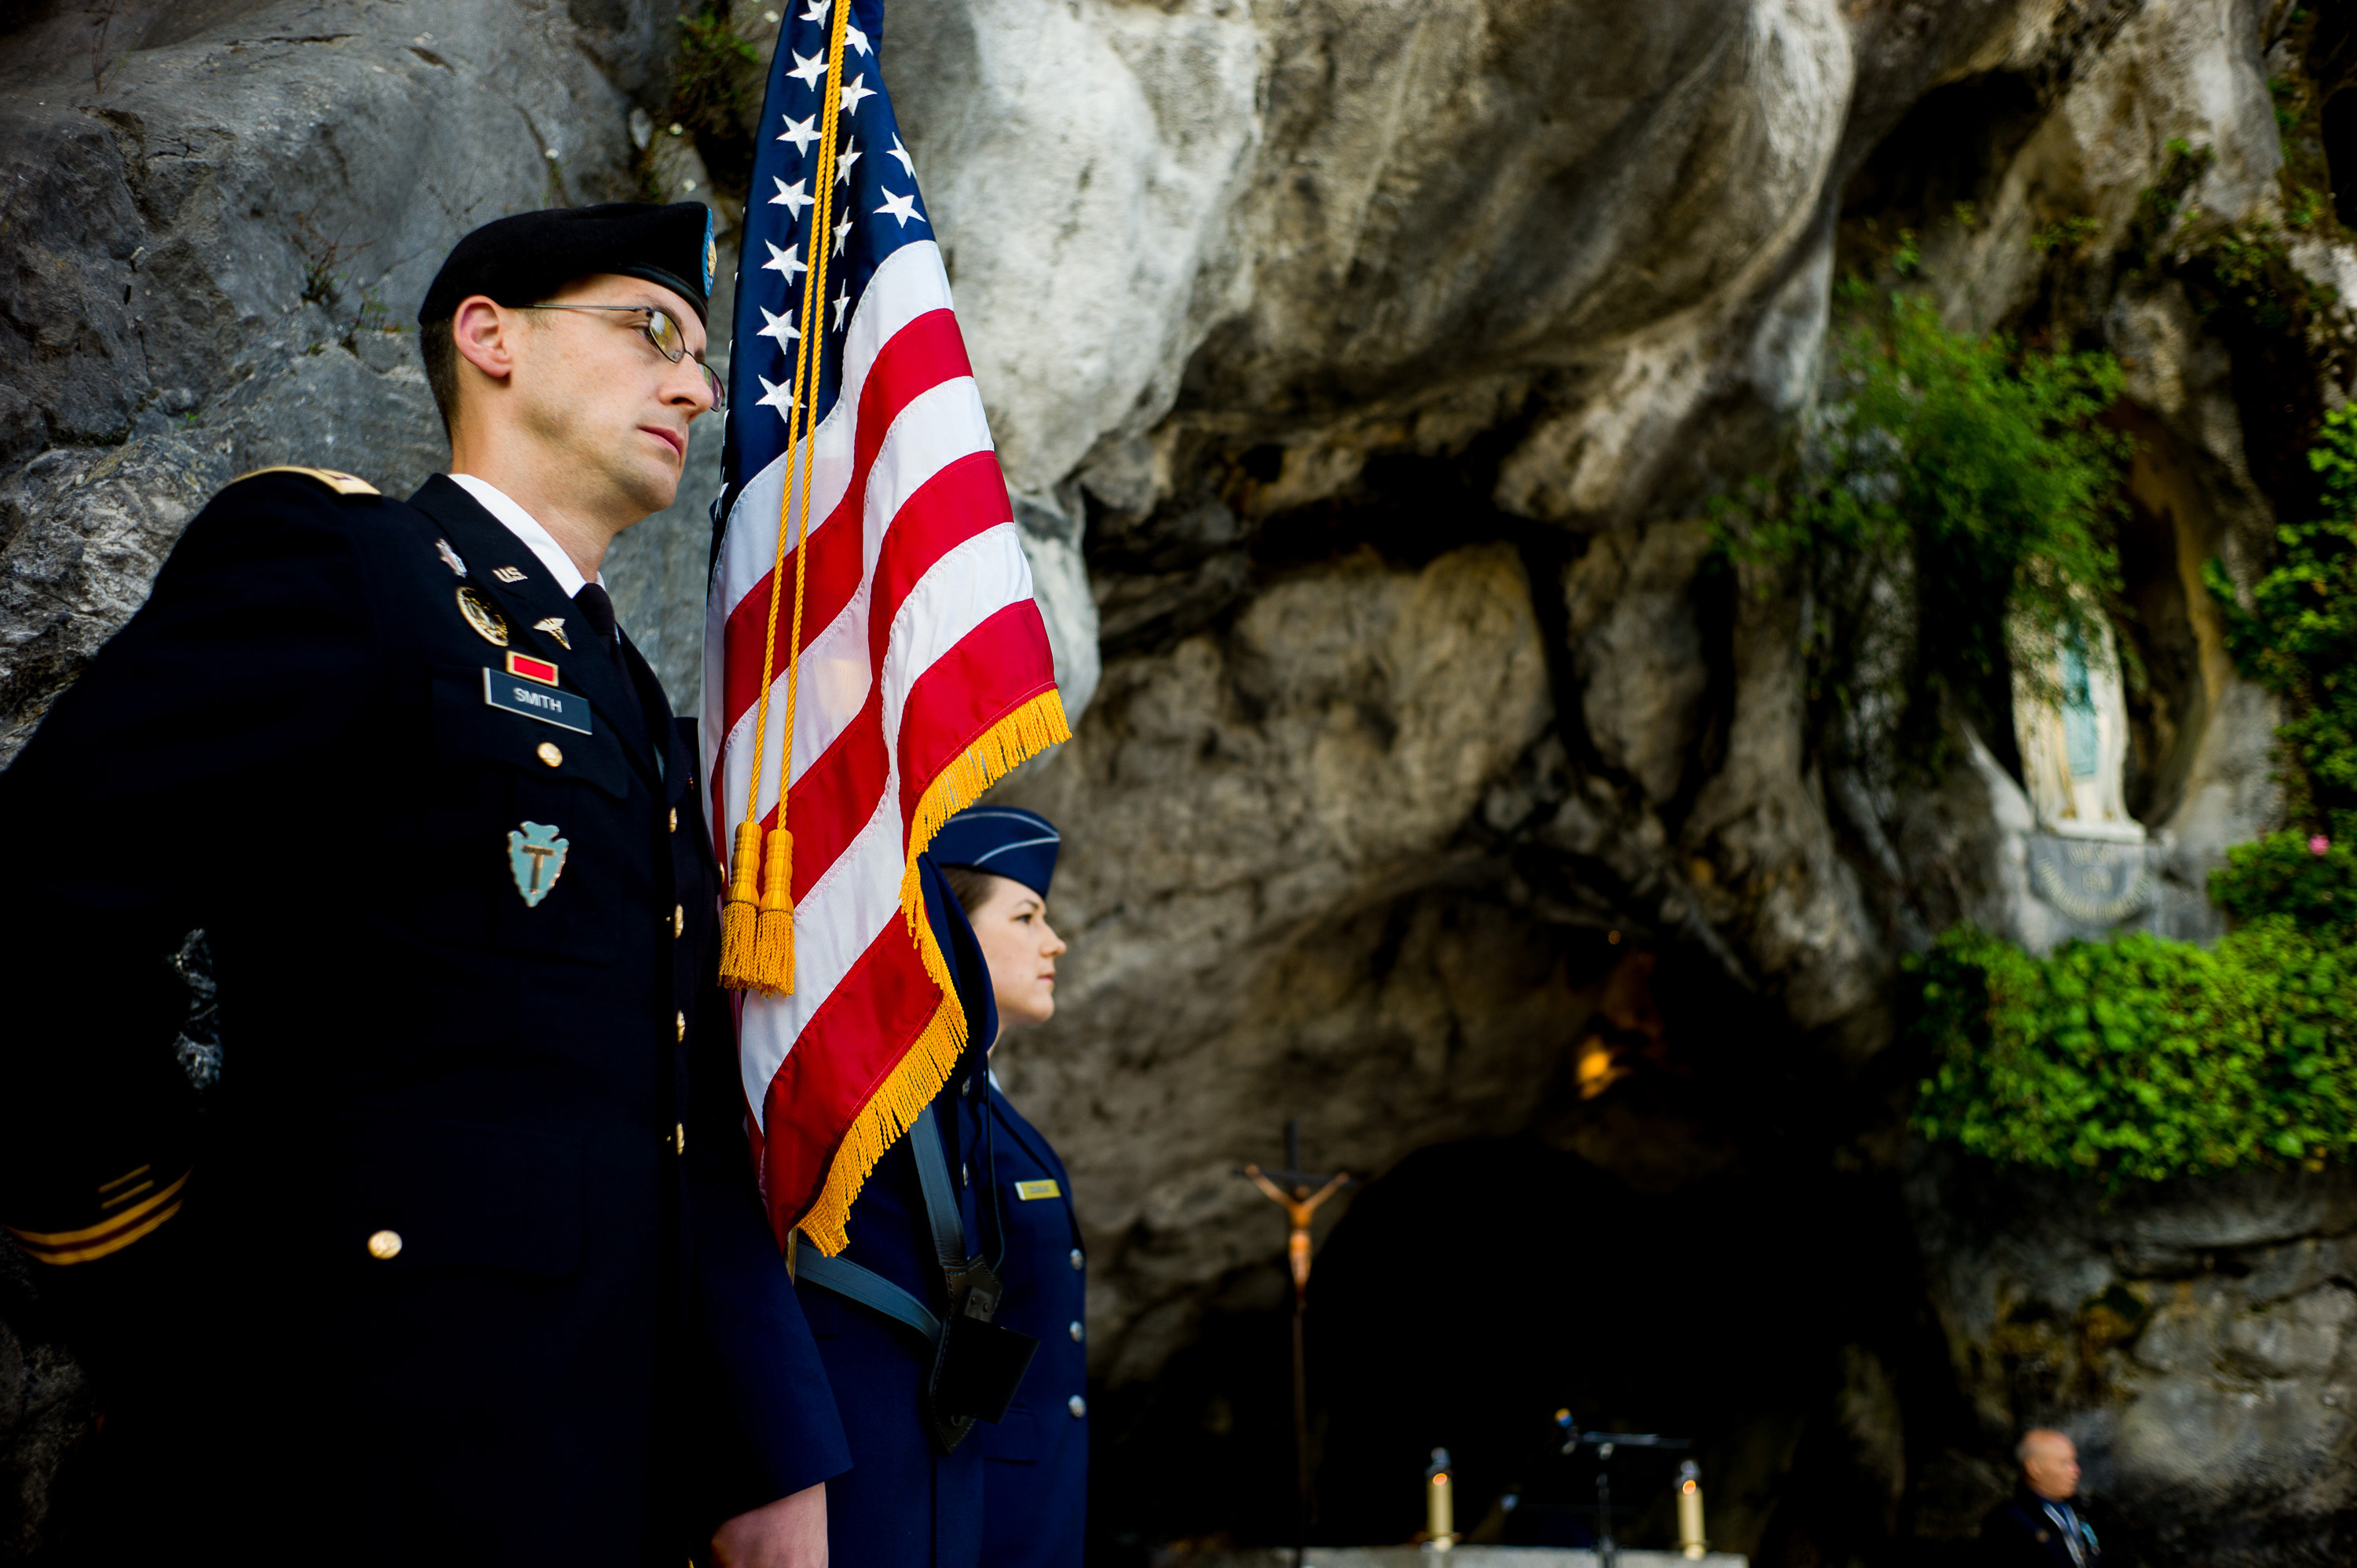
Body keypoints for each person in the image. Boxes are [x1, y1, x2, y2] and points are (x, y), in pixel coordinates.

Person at [0, 203, 845, 1567]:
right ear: (490, 336)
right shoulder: (350, 566)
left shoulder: (621, 688)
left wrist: (758, 1452)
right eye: (652, 332)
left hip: (583, 1467)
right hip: (332, 1451)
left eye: (695, 354)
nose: (693, 383)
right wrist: (158, 1282)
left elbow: (655, 1111)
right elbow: (42, 896)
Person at [793, 804, 1085, 1568]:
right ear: (951, 924)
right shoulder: (908, 1109)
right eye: (1025, 916)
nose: (1054, 942)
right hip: (975, 1493)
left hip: (1029, 1495)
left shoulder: (992, 1116)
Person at [1980, 1428, 2101, 1567]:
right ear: (2034, 1469)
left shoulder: (2088, 1509)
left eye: (2074, 1461)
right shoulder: (2006, 1524)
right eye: (2064, 1463)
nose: (2076, 1471)